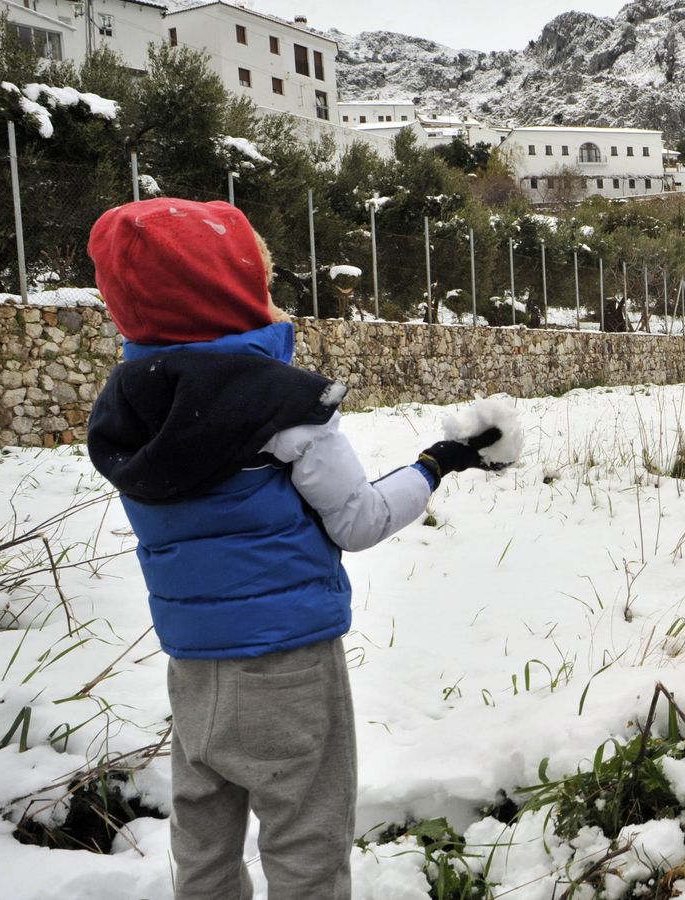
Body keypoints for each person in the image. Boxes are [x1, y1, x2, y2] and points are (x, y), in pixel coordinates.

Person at [84, 198, 518, 899]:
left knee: (203, 848)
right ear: (231, 288)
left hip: (192, 666)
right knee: (305, 847)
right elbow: (359, 521)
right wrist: (439, 463)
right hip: (287, 665)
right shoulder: (279, 409)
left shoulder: (128, 412)